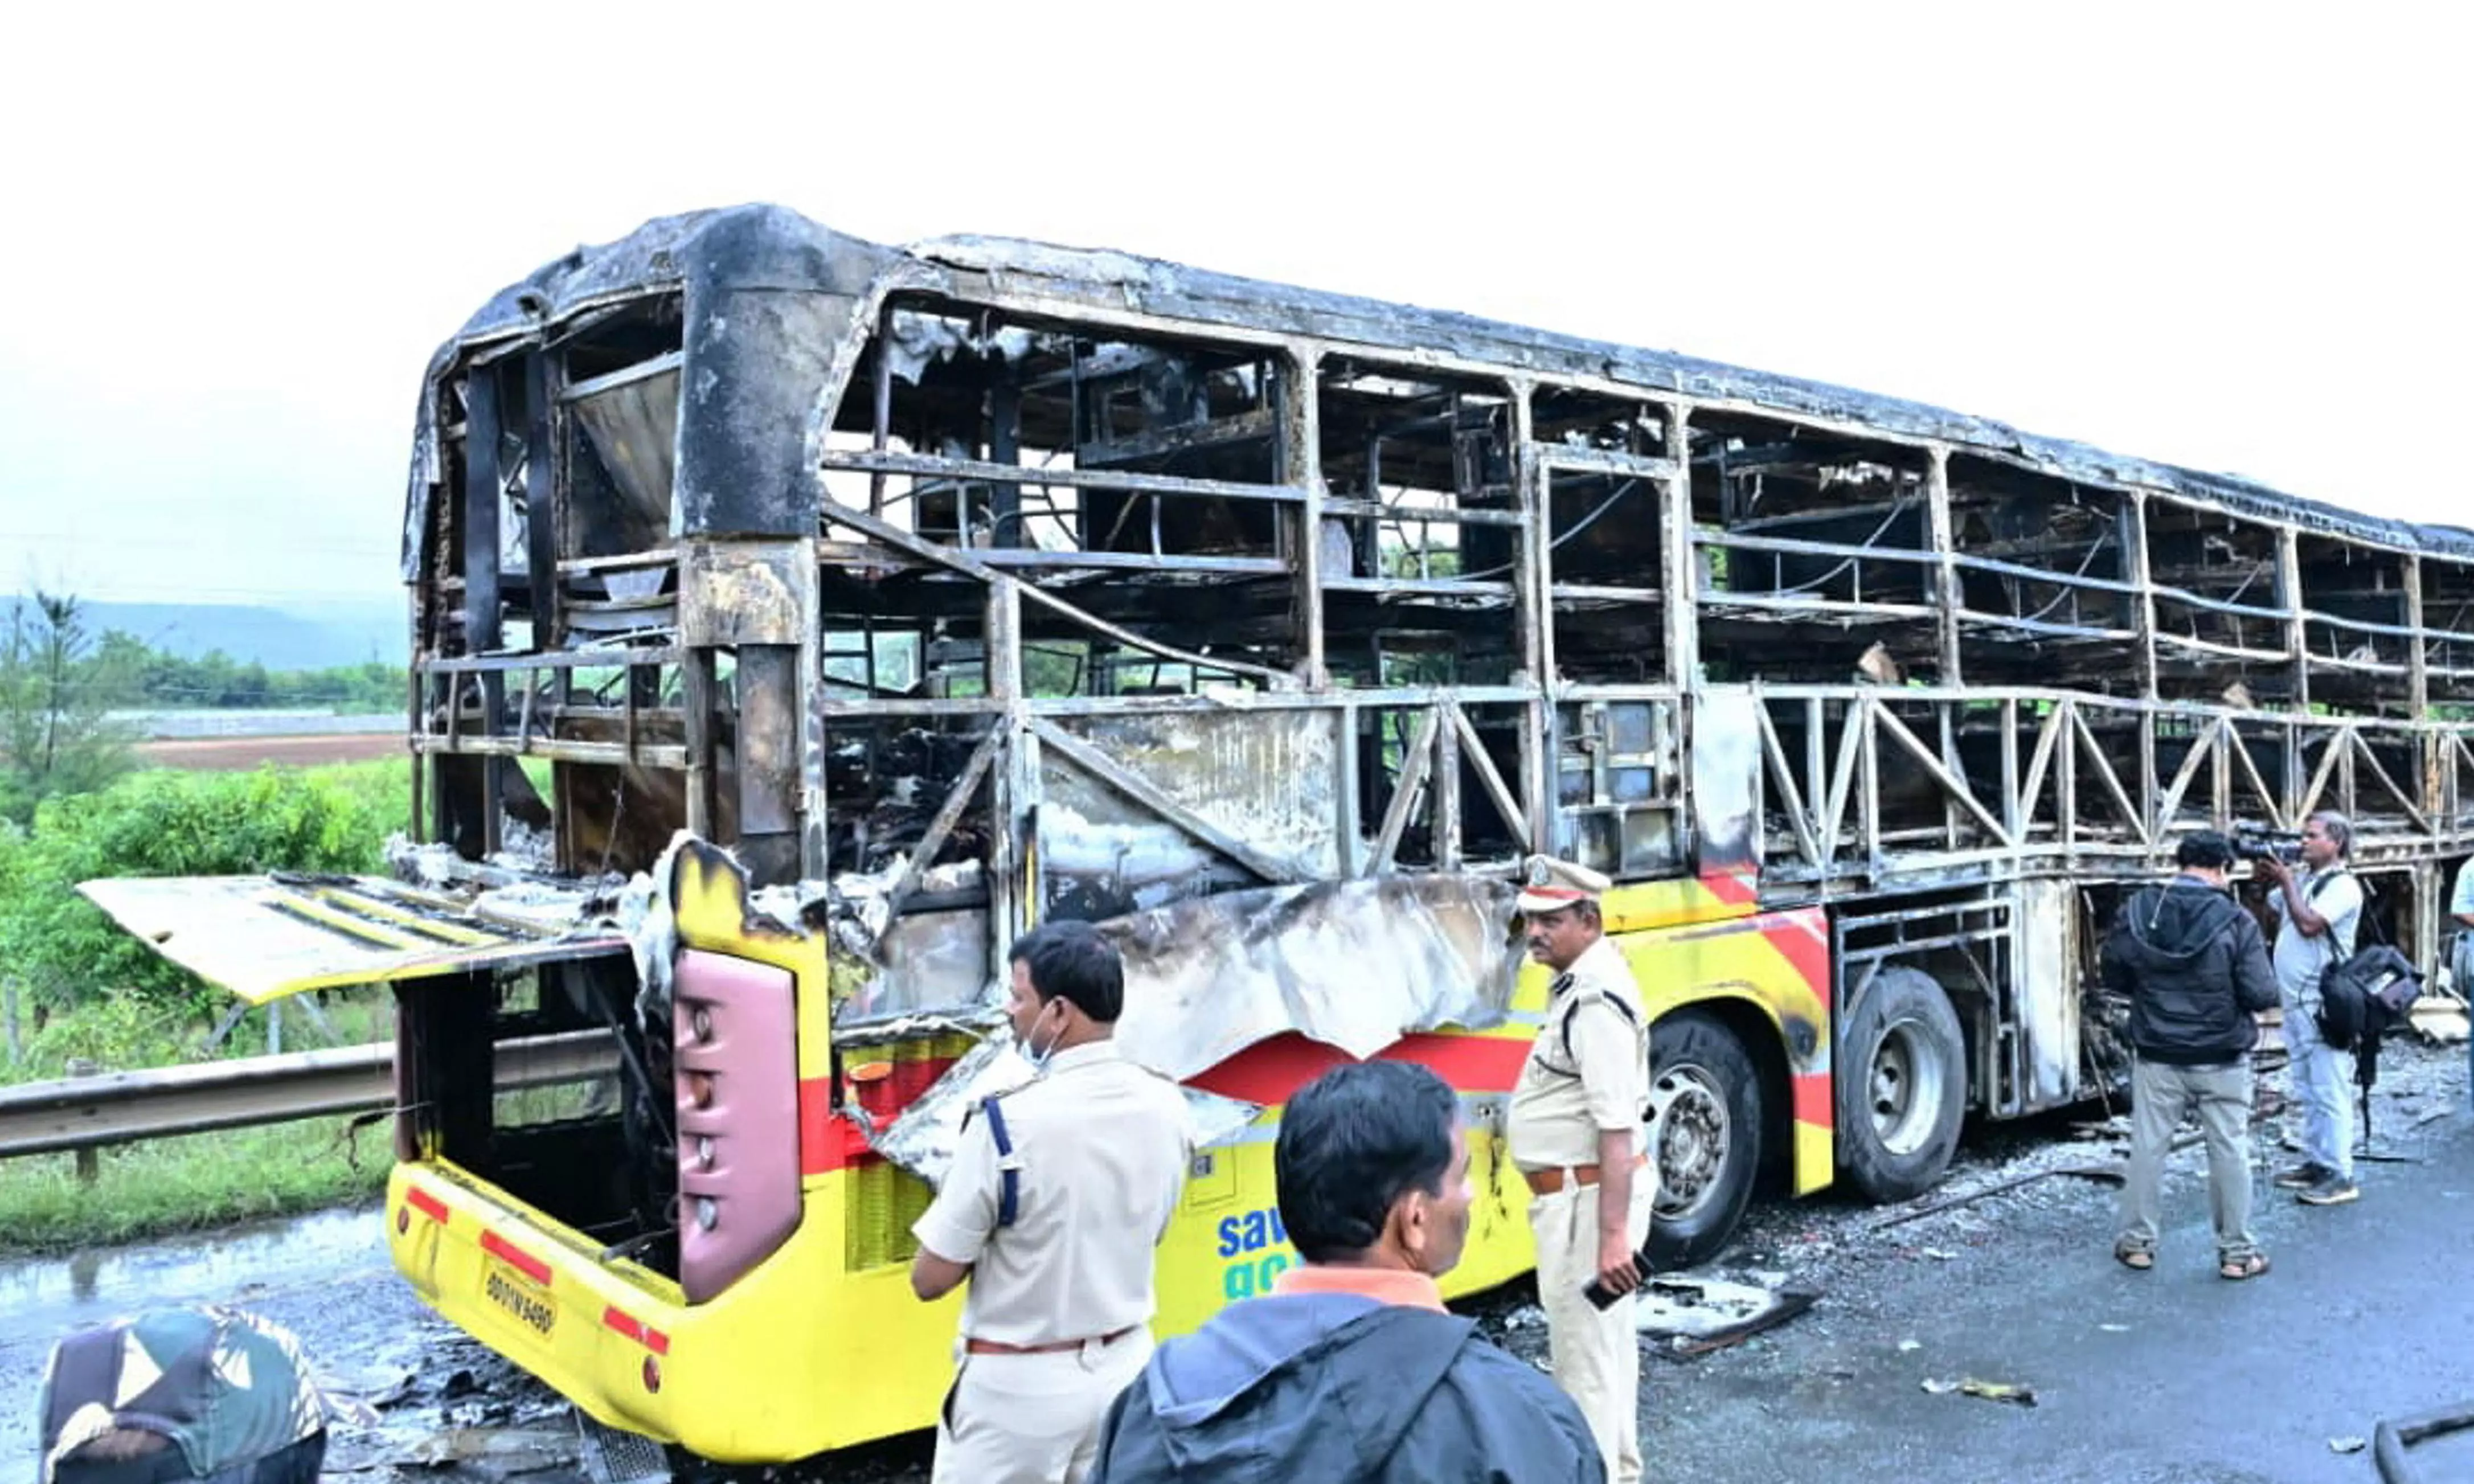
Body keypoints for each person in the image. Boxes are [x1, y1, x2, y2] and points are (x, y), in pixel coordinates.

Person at [1089, 1061, 1605, 1483]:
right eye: (1460, 1176)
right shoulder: (1522, 1422)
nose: (1470, 1194)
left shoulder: (1155, 1401)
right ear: (1415, 1220)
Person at [910, 920, 1195, 1484]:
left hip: (1017, 1392)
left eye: (1019, 998)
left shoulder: (1004, 1121)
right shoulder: (1169, 1103)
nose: (1011, 1013)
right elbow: (1153, 1227)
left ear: (1059, 1012)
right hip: (1126, 1370)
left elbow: (931, 1278)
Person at [1505, 855, 1652, 1484]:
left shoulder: (1592, 999)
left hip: (1586, 1207)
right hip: (1586, 1200)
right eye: (1530, 919)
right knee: (1606, 1351)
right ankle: (1618, 1471)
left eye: (1551, 920)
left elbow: (1616, 1125)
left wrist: (1612, 1236)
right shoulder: (1580, 980)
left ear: (1588, 920)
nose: (1535, 932)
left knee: (1586, 1363)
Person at [2103, 831, 2279, 1280]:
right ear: (2222, 869)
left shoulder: (2140, 911)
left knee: (2147, 1146)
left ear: (2180, 863)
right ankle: (2237, 1254)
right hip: (2221, 1056)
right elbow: (2262, 993)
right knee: (2229, 1150)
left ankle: (2137, 1244)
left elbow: (2115, 976)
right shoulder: (2236, 920)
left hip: (2158, 1052)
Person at [2256, 811, 2365, 1207]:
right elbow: (2272, 911)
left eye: (2312, 836)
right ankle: (2318, 1161)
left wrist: (2286, 882)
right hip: (2296, 1000)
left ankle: (2340, 1173)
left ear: (2335, 842)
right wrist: (2271, 880)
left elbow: (2309, 925)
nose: (2303, 842)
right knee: (2307, 1084)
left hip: (2323, 1002)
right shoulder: (2306, 879)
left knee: (2330, 1087)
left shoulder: (2344, 886)